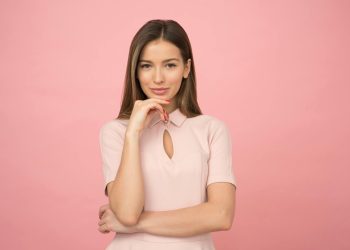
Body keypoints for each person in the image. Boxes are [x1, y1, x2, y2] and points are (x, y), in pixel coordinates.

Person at [97, 19, 237, 250]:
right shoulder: (116, 132)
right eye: (146, 66)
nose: (158, 78)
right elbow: (127, 212)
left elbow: (220, 215)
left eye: (170, 65)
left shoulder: (212, 129)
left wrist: (135, 225)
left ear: (186, 68)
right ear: (135, 71)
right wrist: (133, 133)